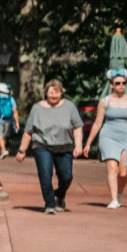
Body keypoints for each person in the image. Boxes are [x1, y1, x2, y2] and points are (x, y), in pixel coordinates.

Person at [18, 78, 83, 214]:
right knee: (45, 174)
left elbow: (77, 127)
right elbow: (28, 131)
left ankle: (60, 195)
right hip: (43, 145)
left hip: (64, 146)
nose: (54, 95)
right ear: (45, 93)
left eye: (57, 92)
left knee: (66, 176)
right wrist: (22, 150)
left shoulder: (69, 107)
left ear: (62, 92)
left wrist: (78, 145)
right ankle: (50, 203)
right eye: (51, 92)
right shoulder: (37, 108)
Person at [81, 68, 127, 209]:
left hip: (125, 137)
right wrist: (88, 144)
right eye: (117, 83)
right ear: (111, 85)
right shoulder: (104, 102)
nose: (121, 85)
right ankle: (113, 200)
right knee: (112, 168)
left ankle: (119, 193)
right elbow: (98, 123)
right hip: (108, 136)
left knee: (123, 174)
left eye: (123, 83)